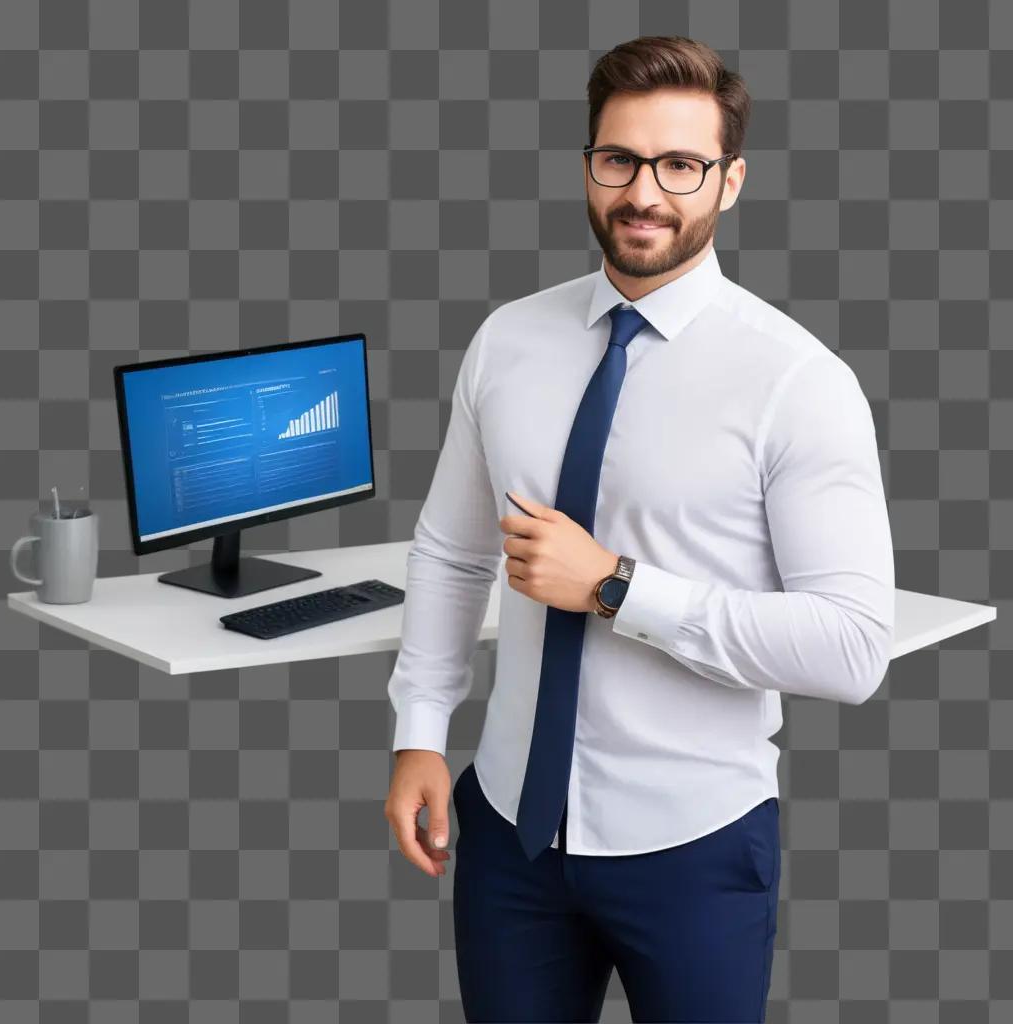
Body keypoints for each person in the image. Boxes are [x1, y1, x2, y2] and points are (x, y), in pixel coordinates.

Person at [383, 34, 895, 1024]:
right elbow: (450, 553)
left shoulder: (797, 383)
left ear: (729, 181)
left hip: (693, 847)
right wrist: (418, 735)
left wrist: (618, 585)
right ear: (588, 165)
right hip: (506, 838)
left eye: (680, 165)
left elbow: (850, 646)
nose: (644, 193)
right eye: (618, 159)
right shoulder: (508, 339)